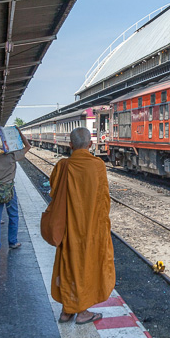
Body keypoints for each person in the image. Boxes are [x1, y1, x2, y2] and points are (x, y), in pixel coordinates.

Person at [44, 128, 115, 325]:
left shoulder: (63, 165)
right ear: (91, 145)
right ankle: (82, 311)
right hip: (91, 229)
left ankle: (67, 310)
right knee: (86, 267)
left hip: (68, 228)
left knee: (68, 265)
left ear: (71, 145)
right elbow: (103, 200)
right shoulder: (97, 165)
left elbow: (53, 189)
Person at [0, 128, 29, 254]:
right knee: (13, 215)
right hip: (9, 191)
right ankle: (13, 242)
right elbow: (28, 146)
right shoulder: (12, 156)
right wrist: (19, 134)